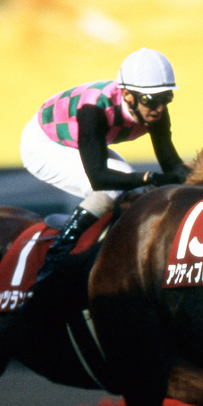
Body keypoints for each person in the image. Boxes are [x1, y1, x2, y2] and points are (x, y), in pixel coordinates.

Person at [20, 47, 190, 276]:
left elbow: (171, 164)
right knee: (115, 187)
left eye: (166, 98)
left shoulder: (154, 110)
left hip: (75, 139)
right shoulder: (94, 110)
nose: (159, 108)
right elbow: (99, 178)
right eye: (151, 100)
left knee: (137, 188)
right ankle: (55, 261)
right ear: (127, 94)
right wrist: (149, 177)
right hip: (43, 144)